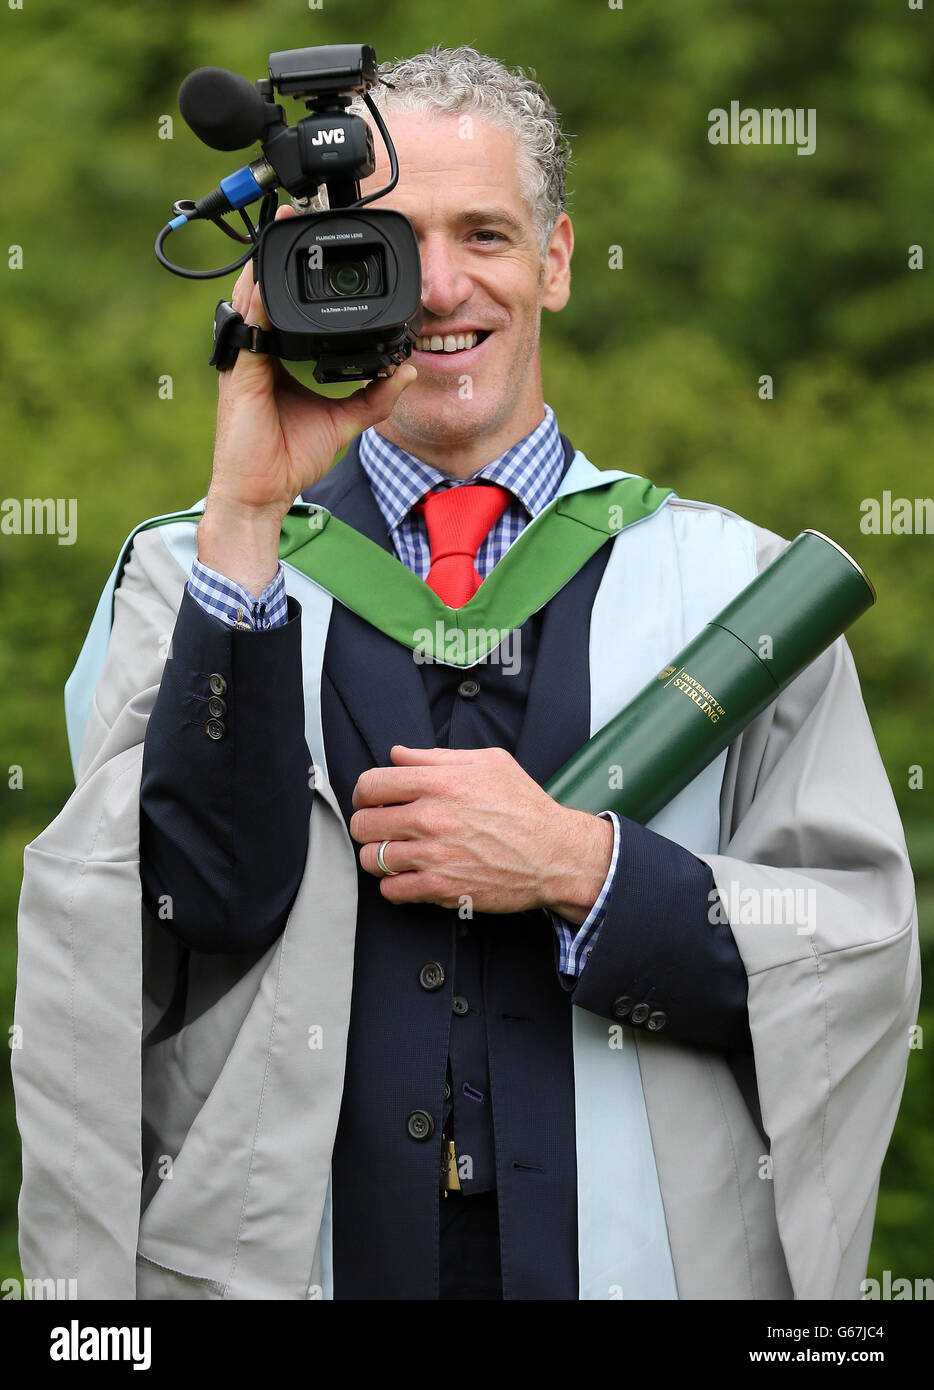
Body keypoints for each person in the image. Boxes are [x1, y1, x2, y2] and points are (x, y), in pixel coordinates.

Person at [13, 45, 919, 1302]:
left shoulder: (732, 591)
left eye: (485, 233)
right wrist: (245, 514)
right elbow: (172, 926)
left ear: (554, 260)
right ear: (308, 267)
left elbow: (851, 951)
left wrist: (583, 870)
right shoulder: (189, 577)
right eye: (391, 239)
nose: (440, 287)